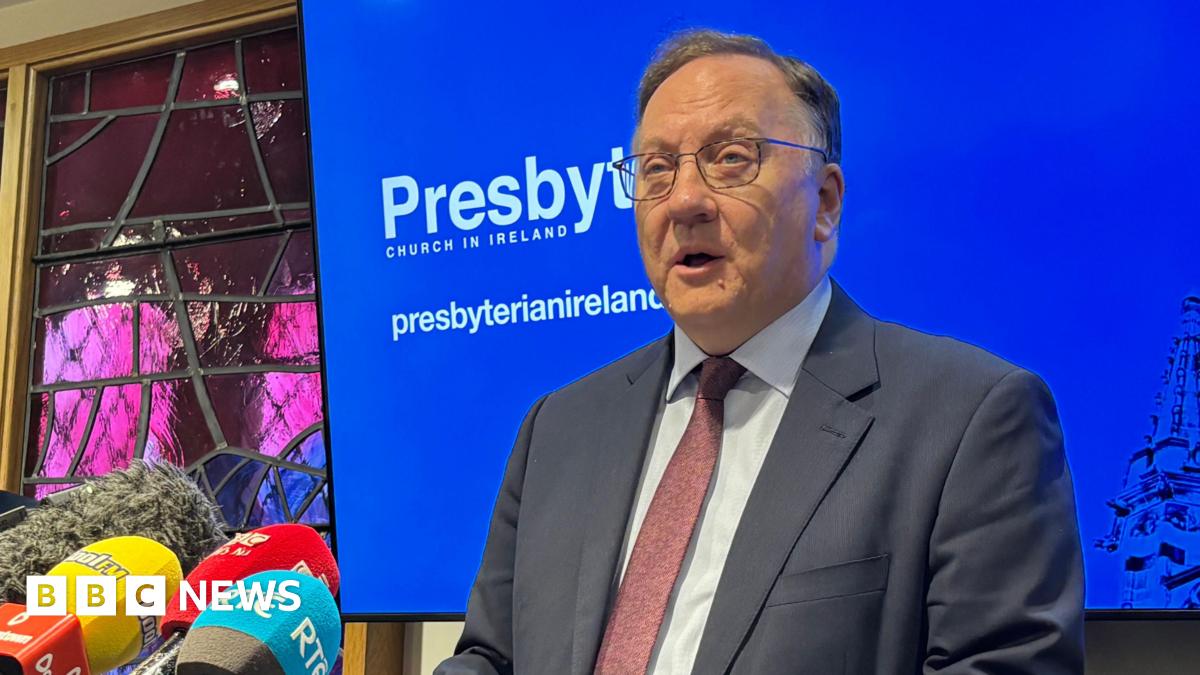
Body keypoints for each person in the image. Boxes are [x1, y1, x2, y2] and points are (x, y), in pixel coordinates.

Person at [436, 28, 1084, 675]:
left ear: (825, 202)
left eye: (730, 158)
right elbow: (490, 659)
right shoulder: (558, 428)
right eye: (656, 169)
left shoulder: (970, 418)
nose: (684, 201)